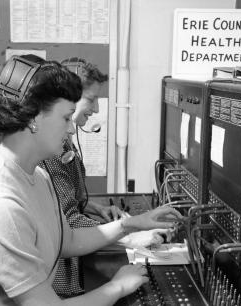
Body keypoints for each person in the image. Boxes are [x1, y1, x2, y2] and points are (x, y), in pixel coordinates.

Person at [0, 54, 183, 306]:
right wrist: (116, 287)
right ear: (33, 118)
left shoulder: (35, 176)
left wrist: (132, 224)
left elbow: (68, 239)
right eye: (65, 118)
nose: (71, 129)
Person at [40, 57, 169, 298]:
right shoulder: (52, 148)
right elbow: (67, 222)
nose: (96, 109)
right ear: (67, 98)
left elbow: (61, 197)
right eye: (91, 99)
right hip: (57, 279)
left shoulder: (63, 139)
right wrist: (131, 236)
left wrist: (93, 206)